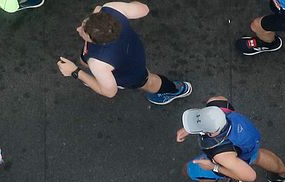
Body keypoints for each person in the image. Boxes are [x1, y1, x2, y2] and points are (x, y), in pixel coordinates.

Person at [56, 2, 192, 105]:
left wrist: (75, 72)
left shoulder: (98, 64)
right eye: (85, 23)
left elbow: (109, 92)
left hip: (129, 72)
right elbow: (144, 9)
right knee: (88, 63)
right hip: (132, 48)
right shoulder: (112, 9)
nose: (78, 29)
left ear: (97, 41)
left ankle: (175, 89)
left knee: (149, 81)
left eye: (83, 32)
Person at [176, 96, 285, 182]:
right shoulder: (217, 103)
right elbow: (217, 101)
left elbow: (250, 176)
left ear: (210, 131)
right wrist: (190, 128)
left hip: (234, 157)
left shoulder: (221, 154)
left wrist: (213, 167)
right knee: (257, 156)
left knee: (189, 170)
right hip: (248, 144)